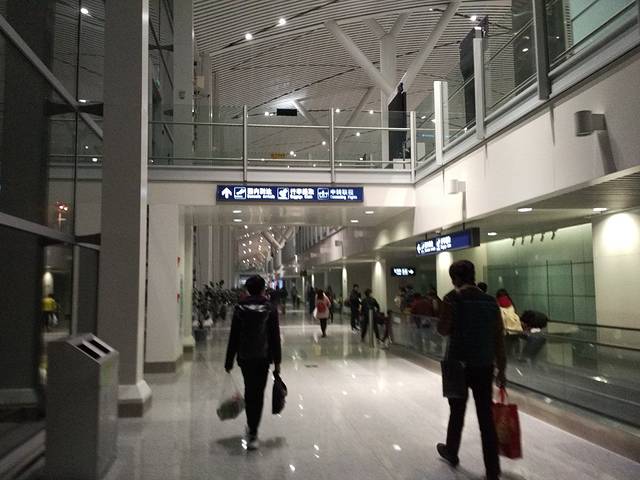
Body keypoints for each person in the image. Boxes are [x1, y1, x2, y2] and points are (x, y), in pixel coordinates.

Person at [436, 260, 506, 480]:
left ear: (456, 278)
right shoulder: (491, 301)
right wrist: (502, 369)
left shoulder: (451, 299)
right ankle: (492, 469)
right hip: (484, 365)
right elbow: (498, 338)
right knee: (486, 417)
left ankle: (452, 452)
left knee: (457, 411)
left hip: (457, 364)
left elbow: (442, 329)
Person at [225, 275, 282, 451]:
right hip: (263, 357)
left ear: (247, 289)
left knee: (249, 391)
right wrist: (277, 362)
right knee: (258, 393)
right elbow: (275, 337)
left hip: (245, 357)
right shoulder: (270, 308)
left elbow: (234, 336)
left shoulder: (239, 308)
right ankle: (254, 431)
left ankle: (251, 430)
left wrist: (229, 360)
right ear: (263, 288)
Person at [496, 288, 523, 358]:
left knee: (507, 348)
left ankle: (509, 359)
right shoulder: (511, 303)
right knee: (515, 344)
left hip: (506, 330)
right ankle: (517, 358)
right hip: (516, 329)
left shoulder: (498, 303)